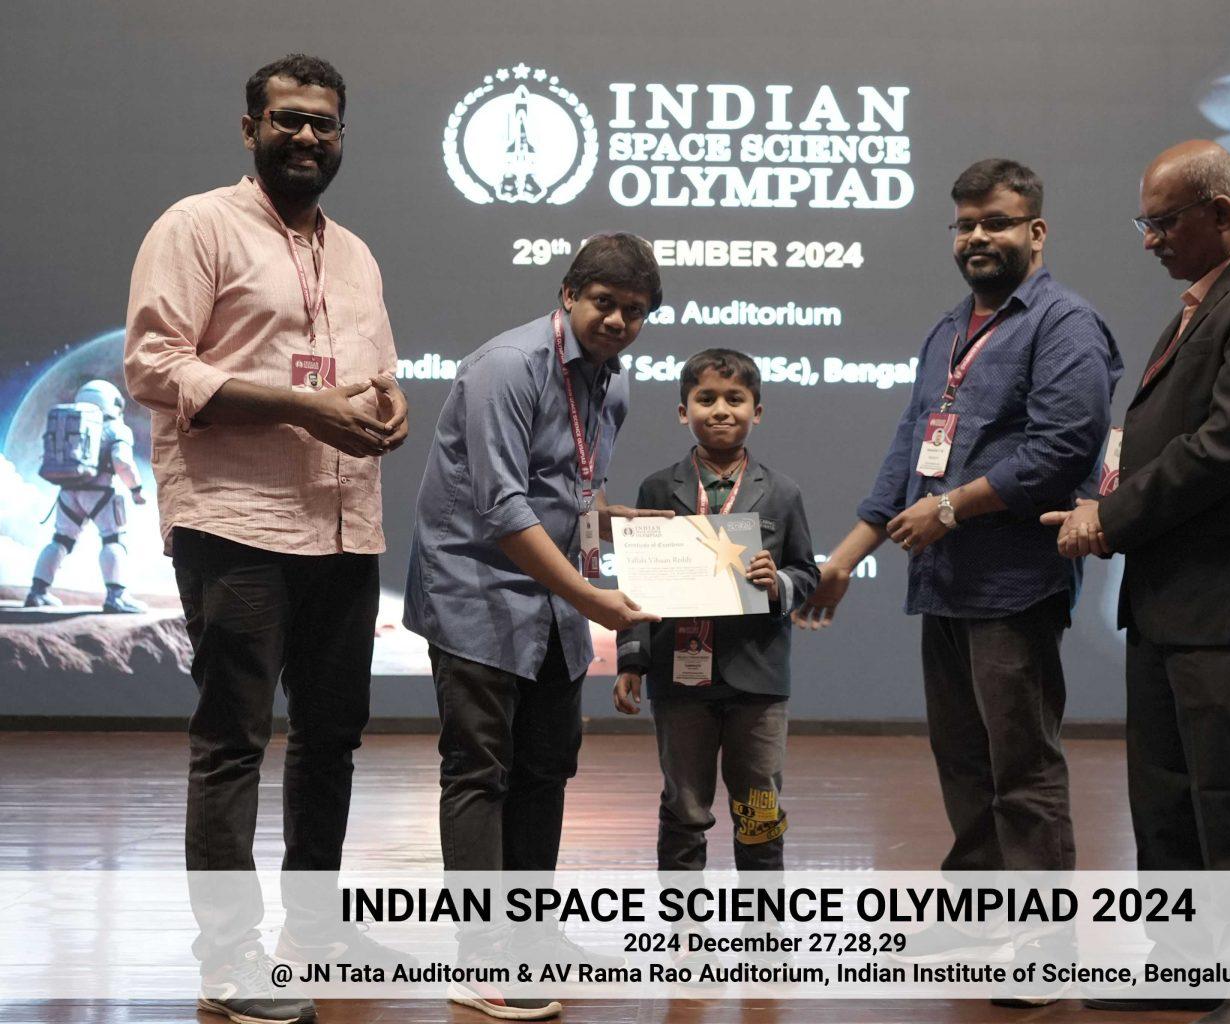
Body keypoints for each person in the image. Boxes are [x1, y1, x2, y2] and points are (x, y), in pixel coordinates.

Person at [123, 53, 410, 1024]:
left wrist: (389, 405)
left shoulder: (357, 253)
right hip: (236, 522)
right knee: (233, 743)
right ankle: (228, 957)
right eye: (288, 119)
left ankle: (315, 933)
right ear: (250, 129)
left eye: (323, 123)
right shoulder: (196, 227)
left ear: (341, 137)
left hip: (344, 525)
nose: (307, 137)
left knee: (331, 741)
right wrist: (302, 407)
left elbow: (373, 373)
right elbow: (154, 365)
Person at [794, 158, 1121, 954]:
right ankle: (978, 918)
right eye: (966, 224)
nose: (978, 236)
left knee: (1022, 766)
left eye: (996, 222)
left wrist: (950, 508)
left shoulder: (1066, 324)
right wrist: (844, 560)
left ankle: (1044, 949)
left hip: (1014, 582)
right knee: (964, 762)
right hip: (942, 581)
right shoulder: (949, 331)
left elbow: (1063, 449)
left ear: (1036, 232)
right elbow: (909, 453)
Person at [1044, 140, 1230, 1024]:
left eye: (1163, 222)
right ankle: (1185, 963)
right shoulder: (1206, 304)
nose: (1149, 239)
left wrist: (1109, 518)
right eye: (1146, 221)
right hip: (1173, 595)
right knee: (1166, 795)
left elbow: (1227, 446)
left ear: (1222, 211)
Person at [403, 232, 667, 1022]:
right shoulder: (507, 367)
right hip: (477, 589)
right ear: (568, 293)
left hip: (553, 598)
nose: (618, 322)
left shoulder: (611, 384)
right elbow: (503, 508)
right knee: (479, 770)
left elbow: (578, 493)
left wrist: (637, 529)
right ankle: (481, 958)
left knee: (546, 767)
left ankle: (532, 934)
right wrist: (596, 601)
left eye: (635, 312)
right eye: (605, 303)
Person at [612, 349, 819, 887]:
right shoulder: (658, 489)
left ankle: (762, 925)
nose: (721, 409)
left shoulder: (783, 491)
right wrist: (631, 661)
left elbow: (806, 572)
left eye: (735, 399)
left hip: (759, 676)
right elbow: (638, 583)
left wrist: (780, 584)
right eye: (705, 399)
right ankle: (684, 927)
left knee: (759, 809)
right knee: (684, 806)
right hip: (679, 674)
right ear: (684, 411)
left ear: (757, 411)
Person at [25, 379, 150, 613]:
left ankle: (37, 592)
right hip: (101, 493)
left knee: (61, 540)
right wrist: (136, 489)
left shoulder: (70, 423)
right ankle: (117, 596)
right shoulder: (116, 429)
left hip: (68, 492)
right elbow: (122, 462)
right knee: (113, 540)